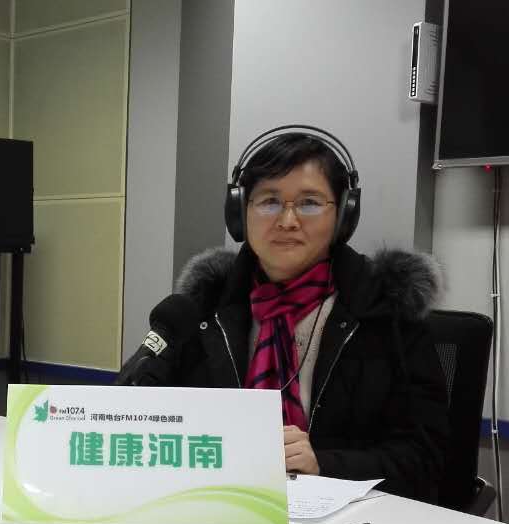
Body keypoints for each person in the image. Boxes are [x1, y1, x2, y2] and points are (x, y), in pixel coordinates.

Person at [129, 128, 452, 503]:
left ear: (343, 216)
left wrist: (324, 464)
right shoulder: (205, 309)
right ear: (239, 213)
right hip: (219, 506)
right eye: (268, 202)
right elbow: (147, 417)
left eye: (309, 203)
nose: (287, 220)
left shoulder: (386, 312)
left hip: (351, 522)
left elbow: (425, 458)